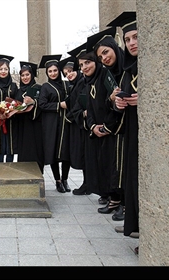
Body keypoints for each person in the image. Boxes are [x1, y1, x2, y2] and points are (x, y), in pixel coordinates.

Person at [80, 28, 124, 214]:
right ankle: (112, 198)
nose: (85, 67)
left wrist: (106, 126)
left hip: (115, 129)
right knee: (105, 164)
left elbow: (111, 104)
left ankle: (117, 200)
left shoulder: (109, 76)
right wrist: (92, 125)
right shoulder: (92, 82)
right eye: (81, 65)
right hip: (100, 130)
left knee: (115, 166)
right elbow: (90, 107)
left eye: (89, 62)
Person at [107, 11, 140, 251]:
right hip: (132, 134)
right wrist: (118, 103)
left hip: (152, 137)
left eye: (136, 37)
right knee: (134, 181)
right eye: (127, 39)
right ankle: (138, 228)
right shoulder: (128, 71)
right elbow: (121, 97)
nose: (132, 43)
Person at [38, 54, 71, 193]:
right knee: (54, 152)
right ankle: (57, 180)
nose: (52, 73)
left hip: (66, 122)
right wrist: (59, 105)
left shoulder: (66, 84)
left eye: (55, 70)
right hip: (52, 124)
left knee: (65, 152)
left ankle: (65, 179)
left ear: (59, 71)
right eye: (50, 71)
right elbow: (42, 104)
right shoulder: (45, 86)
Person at [59, 54, 88, 195]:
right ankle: (86, 183)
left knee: (84, 153)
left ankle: (87, 184)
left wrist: (70, 116)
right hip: (76, 121)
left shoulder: (82, 82)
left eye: (70, 71)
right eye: (66, 73)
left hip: (80, 123)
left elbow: (78, 103)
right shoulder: (74, 84)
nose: (69, 75)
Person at [14, 61, 44, 173]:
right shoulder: (18, 91)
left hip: (35, 127)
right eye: (22, 75)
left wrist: (33, 103)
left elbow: (42, 105)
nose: (25, 77)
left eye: (27, 74)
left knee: (36, 153)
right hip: (22, 127)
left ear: (32, 75)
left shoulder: (38, 88)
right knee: (23, 154)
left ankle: (38, 178)